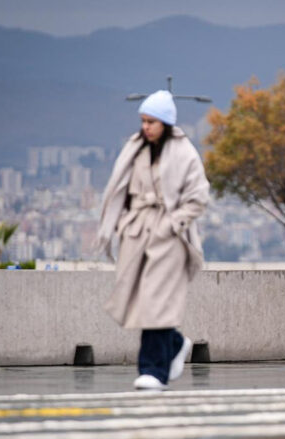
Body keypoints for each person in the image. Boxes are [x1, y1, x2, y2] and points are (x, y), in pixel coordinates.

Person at [97, 90, 210, 390]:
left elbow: (199, 196)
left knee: (156, 303)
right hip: (137, 234)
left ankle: (153, 371)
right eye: (143, 121)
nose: (146, 127)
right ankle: (175, 344)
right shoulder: (135, 149)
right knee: (143, 301)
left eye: (152, 122)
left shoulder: (184, 152)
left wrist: (173, 224)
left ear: (166, 123)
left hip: (169, 238)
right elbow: (119, 189)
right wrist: (122, 223)